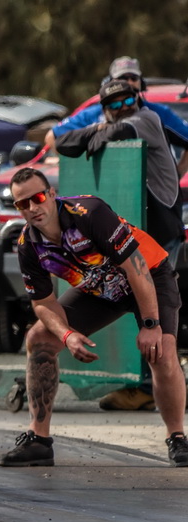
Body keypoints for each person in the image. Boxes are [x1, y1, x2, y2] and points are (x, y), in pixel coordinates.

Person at [0, 167, 188, 468]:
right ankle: (39, 440)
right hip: (100, 289)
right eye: (23, 203)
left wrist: (151, 324)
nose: (33, 208)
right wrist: (67, 335)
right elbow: (43, 303)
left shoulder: (89, 213)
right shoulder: (28, 245)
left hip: (148, 276)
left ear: (51, 194)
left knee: (161, 350)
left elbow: (136, 268)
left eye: (38, 198)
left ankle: (177, 436)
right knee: (39, 338)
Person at [56, 79, 184, 412]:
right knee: (142, 313)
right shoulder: (112, 122)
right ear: (104, 108)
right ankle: (145, 387)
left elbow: (118, 132)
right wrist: (96, 130)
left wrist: (100, 131)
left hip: (160, 235)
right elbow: (61, 143)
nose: (123, 107)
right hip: (133, 237)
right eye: (114, 104)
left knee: (156, 319)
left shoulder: (147, 118)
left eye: (128, 99)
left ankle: (150, 392)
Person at [46, 56, 188, 177]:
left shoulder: (155, 114)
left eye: (133, 78)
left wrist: (177, 174)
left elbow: (124, 129)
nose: (129, 82)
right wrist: (80, 171)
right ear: (109, 83)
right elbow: (52, 137)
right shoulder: (92, 114)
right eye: (122, 78)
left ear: (141, 83)